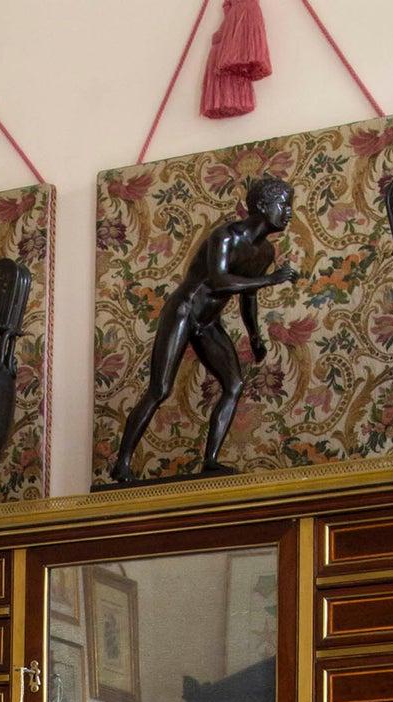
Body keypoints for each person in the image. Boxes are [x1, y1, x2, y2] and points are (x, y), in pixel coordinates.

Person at [110, 176, 298, 484]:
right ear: (263, 207)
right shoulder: (226, 236)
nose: (289, 212)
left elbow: (247, 298)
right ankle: (122, 463)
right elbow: (219, 280)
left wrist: (255, 337)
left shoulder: (265, 254)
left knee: (234, 385)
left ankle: (210, 460)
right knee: (160, 389)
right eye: (284, 205)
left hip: (209, 322)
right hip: (184, 311)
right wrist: (270, 280)